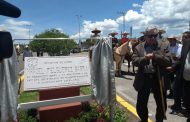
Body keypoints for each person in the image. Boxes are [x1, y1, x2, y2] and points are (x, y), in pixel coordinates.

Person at [132, 27, 172, 122]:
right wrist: (145, 59)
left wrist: (155, 56)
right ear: (145, 36)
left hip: (159, 78)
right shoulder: (139, 47)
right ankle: (144, 119)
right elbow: (134, 61)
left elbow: (168, 61)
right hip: (144, 78)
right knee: (141, 104)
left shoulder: (164, 45)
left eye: (155, 36)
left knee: (161, 103)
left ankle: (159, 120)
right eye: (150, 36)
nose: (153, 38)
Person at [169, 31, 190, 121]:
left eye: (185, 37)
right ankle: (181, 108)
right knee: (179, 90)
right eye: (182, 37)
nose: (182, 39)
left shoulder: (182, 45)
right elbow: (181, 59)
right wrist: (172, 67)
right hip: (183, 74)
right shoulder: (186, 46)